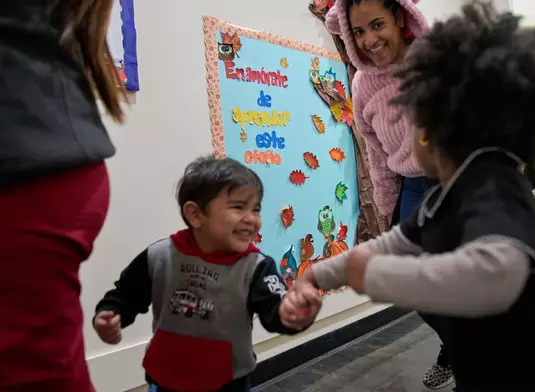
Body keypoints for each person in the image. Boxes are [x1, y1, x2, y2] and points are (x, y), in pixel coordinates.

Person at [287, 1, 535, 391]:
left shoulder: (492, 190)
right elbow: (396, 242)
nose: (404, 132)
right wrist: (317, 276)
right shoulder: (440, 201)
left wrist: (377, 278)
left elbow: (491, 277)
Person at [93, 157, 322, 392]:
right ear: (195, 215)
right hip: (164, 379)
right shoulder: (160, 256)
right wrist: (111, 313)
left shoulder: (256, 267)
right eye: (238, 207)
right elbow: (126, 294)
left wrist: (295, 314)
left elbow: (275, 310)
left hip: (227, 383)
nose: (251, 218)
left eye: (256, 209)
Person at [324, 0, 453, 388]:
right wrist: (384, 204)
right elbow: (375, 151)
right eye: (358, 32)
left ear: (400, 17)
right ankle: (457, 344)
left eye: (377, 25)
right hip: (411, 189)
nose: (369, 40)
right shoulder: (362, 84)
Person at [0, 1, 125, 391]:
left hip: (33, 162)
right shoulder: (164, 255)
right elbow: (134, 289)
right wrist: (115, 309)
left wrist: (280, 312)